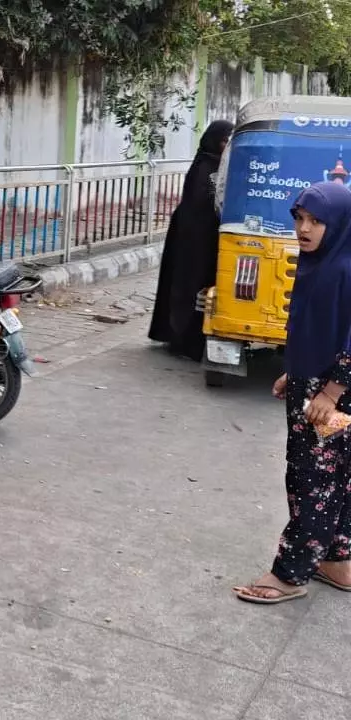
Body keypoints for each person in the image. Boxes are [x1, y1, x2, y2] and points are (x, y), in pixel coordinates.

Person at [234, 181, 351, 604]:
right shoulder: (319, 262)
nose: (304, 228)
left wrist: (332, 390)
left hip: (333, 395)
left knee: (314, 481)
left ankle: (291, 573)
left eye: (316, 220)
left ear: (337, 223)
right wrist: (294, 373)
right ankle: (336, 562)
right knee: (334, 479)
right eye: (299, 218)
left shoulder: (345, 268)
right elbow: (313, 327)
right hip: (314, 385)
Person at [148, 119, 235, 361]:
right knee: (189, 286)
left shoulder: (223, 166)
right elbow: (200, 206)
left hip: (208, 239)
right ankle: (183, 339)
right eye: (224, 139)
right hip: (192, 239)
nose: (227, 144)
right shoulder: (204, 167)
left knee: (203, 287)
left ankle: (193, 337)